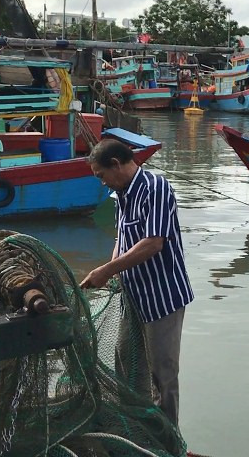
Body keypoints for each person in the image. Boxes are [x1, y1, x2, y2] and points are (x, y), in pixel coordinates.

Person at [79, 139, 193, 427]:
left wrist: (106, 270)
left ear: (116, 164)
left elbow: (153, 243)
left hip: (162, 297)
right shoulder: (121, 195)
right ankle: (137, 430)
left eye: (101, 176)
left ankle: (167, 438)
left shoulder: (155, 188)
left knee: (162, 374)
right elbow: (123, 237)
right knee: (126, 364)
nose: (102, 183)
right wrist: (112, 267)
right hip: (132, 296)